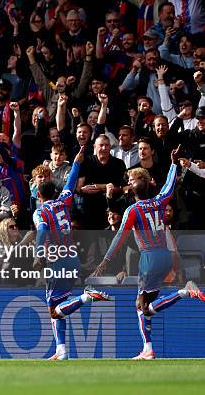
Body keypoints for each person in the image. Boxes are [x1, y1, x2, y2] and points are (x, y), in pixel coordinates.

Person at [93, 149, 205, 360]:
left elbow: (120, 237)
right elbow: (169, 187)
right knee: (146, 305)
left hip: (149, 258)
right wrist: (173, 164)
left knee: (141, 307)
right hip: (164, 255)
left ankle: (183, 293)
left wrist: (106, 260)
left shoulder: (133, 210)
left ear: (133, 193)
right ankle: (148, 348)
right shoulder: (160, 201)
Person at [33, 146, 111, 361]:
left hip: (56, 261)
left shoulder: (40, 211)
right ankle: (62, 351)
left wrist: (39, 253)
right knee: (60, 307)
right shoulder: (63, 200)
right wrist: (76, 162)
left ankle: (87, 296)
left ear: (39, 195)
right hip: (72, 258)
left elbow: (41, 231)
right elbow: (70, 184)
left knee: (53, 310)